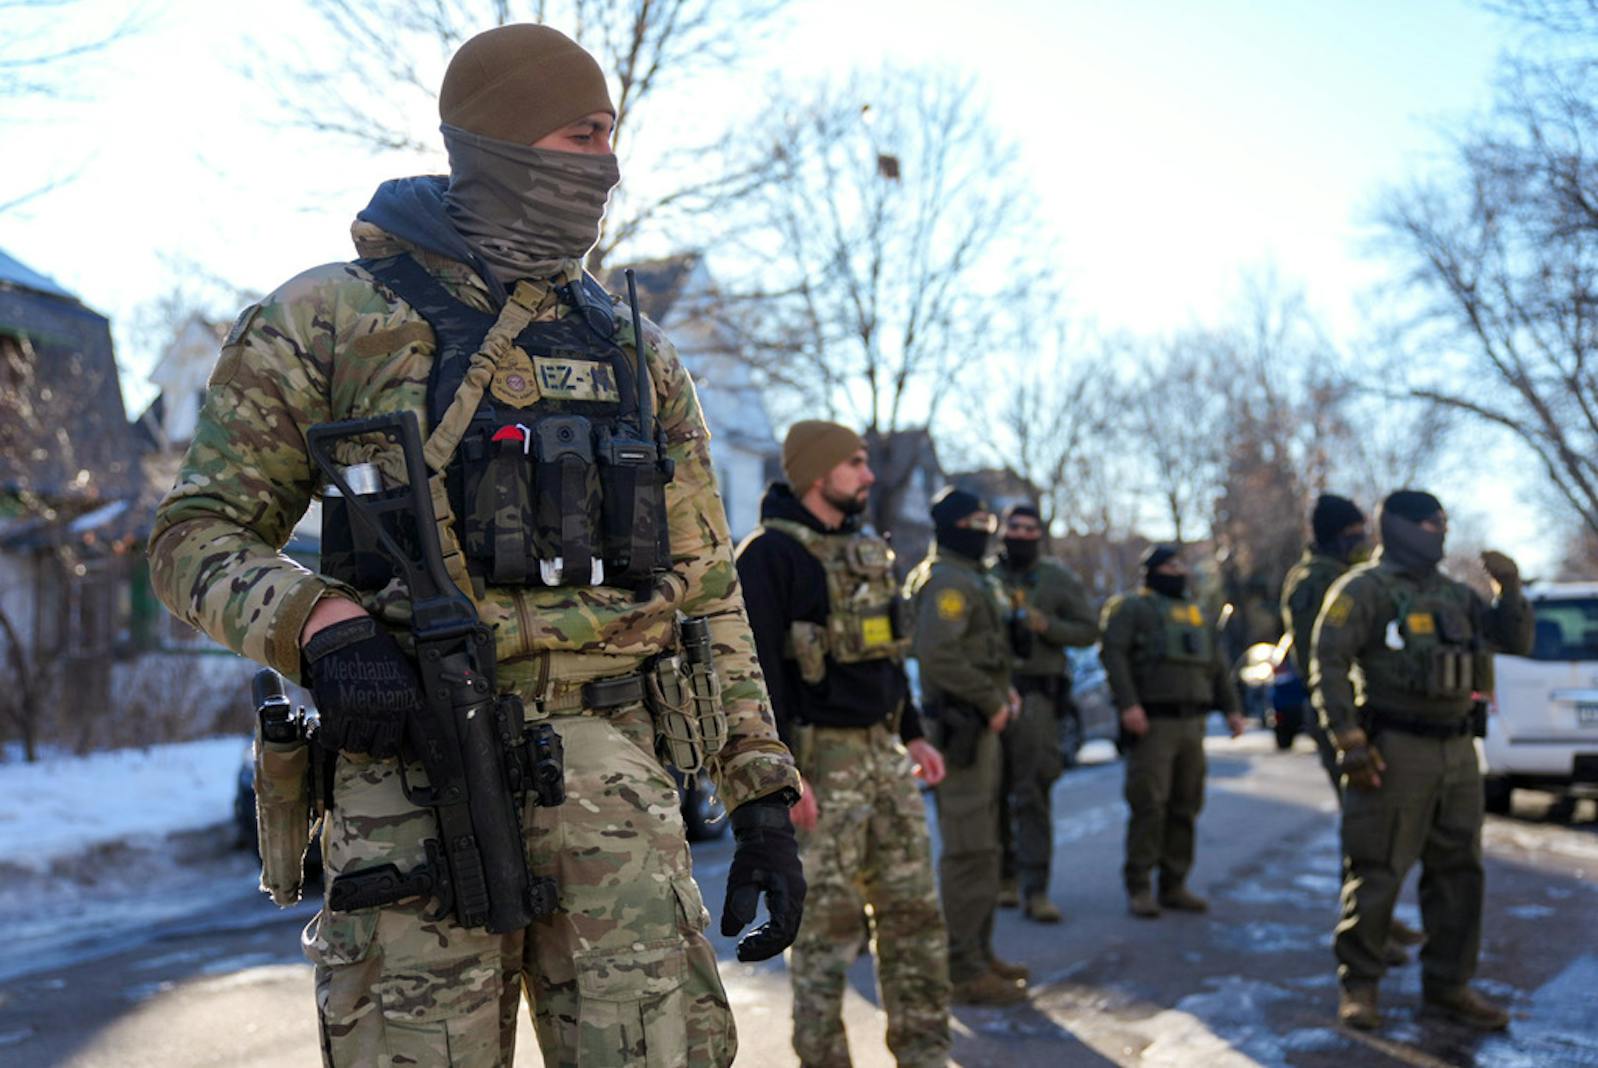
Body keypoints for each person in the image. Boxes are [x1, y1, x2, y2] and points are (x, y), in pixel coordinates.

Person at [147, 25, 802, 1067]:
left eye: (611, 136)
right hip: (409, 779)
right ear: (498, 138)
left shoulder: (638, 350)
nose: (606, 163)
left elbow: (706, 587)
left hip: (617, 792)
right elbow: (192, 537)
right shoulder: (329, 318)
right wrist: (316, 623)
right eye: (582, 134)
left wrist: (759, 790)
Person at [735, 421, 951, 1068]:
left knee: (915, 920)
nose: (869, 474)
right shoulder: (768, 557)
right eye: (855, 463)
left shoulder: (864, 549)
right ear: (816, 473)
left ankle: (926, 1055)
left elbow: (888, 655)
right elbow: (758, 682)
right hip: (819, 765)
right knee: (826, 936)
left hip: (886, 756)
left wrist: (912, 733)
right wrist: (783, 780)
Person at [1309, 490, 1532, 1033]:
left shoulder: (1456, 594)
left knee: (1459, 873)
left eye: (1444, 522)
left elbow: (1515, 640)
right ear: (1402, 526)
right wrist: (1349, 740)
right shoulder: (1364, 589)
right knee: (1378, 868)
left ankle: (1448, 987)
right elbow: (1328, 660)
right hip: (1395, 748)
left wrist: (1510, 591)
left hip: (1458, 751)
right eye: (1432, 523)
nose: (1442, 531)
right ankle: (1359, 985)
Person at [1281, 494, 1425, 961]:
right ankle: (1367, 931)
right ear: (1330, 536)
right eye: (1353, 532)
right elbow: (1319, 655)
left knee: (1377, 825)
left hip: (1369, 711)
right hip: (1337, 714)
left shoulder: (1348, 575)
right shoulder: (1312, 582)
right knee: (1367, 826)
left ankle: (1377, 916)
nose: (1362, 539)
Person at [905, 487, 1028, 1007]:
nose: (987, 529)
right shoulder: (948, 581)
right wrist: (989, 699)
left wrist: (1004, 691)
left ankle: (979, 952)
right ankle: (962, 967)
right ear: (955, 524)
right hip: (962, 729)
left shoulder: (971, 576)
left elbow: (983, 651)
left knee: (986, 847)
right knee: (968, 851)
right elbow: (938, 656)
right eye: (978, 520)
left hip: (981, 726)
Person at [1099, 545, 1245, 919]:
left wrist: (1231, 709)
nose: (1176, 571)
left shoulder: (1195, 614)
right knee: (1149, 804)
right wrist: (1128, 704)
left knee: (1186, 804)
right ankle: (1140, 885)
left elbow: (1216, 665)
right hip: (1152, 722)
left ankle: (1174, 883)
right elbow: (1113, 656)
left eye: (1180, 564)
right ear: (1151, 571)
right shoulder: (1131, 608)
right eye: (1168, 565)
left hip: (1192, 723)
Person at [988, 503, 1098, 923]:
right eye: (1013, 527)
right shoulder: (986, 577)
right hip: (994, 693)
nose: (1020, 534)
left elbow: (1089, 630)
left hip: (1038, 699)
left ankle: (1037, 889)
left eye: (1029, 528)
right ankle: (1005, 879)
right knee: (993, 793)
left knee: (1032, 793)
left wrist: (1046, 625)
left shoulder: (1057, 578)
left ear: (1040, 533)